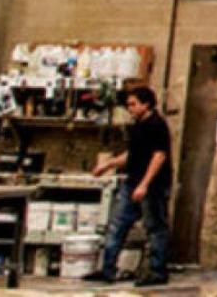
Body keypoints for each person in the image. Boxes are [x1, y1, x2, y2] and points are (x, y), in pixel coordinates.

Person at [85, 85, 172, 287]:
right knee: (117, 224)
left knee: (155, 227)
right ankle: (108, 268)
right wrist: (109, 164)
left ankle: (157, 270)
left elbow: (159, 156)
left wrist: (144, 184)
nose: (130, 108)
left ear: (146, 104)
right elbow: (133, 154)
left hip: (153, 185)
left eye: (133, 104)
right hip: (132, 180)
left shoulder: (156, 125)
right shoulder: (138, 125)